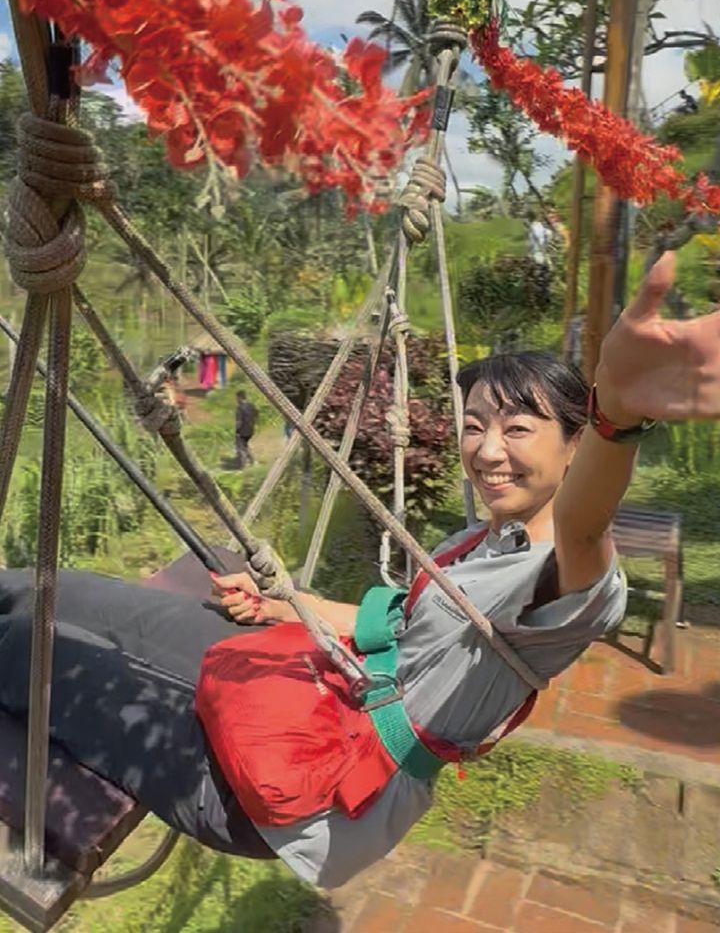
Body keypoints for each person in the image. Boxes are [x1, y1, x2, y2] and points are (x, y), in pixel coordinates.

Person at [1, 253, 720, 889]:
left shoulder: (565, 582)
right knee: (62, 592)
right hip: (308, 693)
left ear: (572, 448)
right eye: (474, 425)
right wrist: (281, 602)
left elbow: (585, 523)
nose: (488, 450)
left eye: (519, 428)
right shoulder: (481, 542)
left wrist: (617, 419)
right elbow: (396, 626)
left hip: (297, 793)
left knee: (33, 653)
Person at [235, 389, 257, 468]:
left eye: (237, 398)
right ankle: (253, 461)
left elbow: (239, 422)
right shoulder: (251, 405)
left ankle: (244, 466)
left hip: (243, 431)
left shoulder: (239, 408)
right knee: (245, 445)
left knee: (240, 447)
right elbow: (256, 414)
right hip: (251, 429)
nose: (236, 400)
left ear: (240, 398)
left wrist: (237, 431)